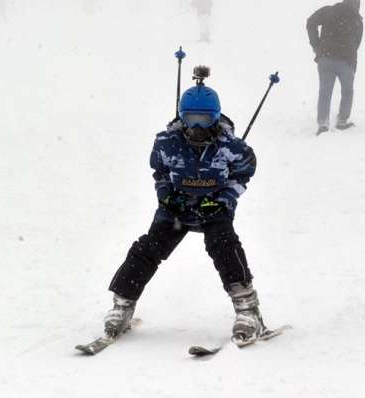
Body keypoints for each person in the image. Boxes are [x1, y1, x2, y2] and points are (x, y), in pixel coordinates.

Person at [100, 75, 268, 343]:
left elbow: (242, 174)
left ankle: (248, 309)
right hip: (176, 208)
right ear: (182, 116)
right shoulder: (167, 142)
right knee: (148, 248)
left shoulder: (232, 147)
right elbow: (161, 172)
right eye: (191, 118)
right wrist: (167, 197)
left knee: (224, 246)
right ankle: (122, 304)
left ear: (215, 117)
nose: (197, 126)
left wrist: (224, 200)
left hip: (213, 207)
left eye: (204, 119)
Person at [306, 0, 363, 135]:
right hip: (346, 61)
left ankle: (323, 124)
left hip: (326, 58)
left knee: (325, 91)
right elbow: (357, 44)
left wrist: (316, 44)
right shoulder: (357, 21)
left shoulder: (329, 11)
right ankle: (342, 121)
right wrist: (352, 64)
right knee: (347, 91)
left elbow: (310, 22)